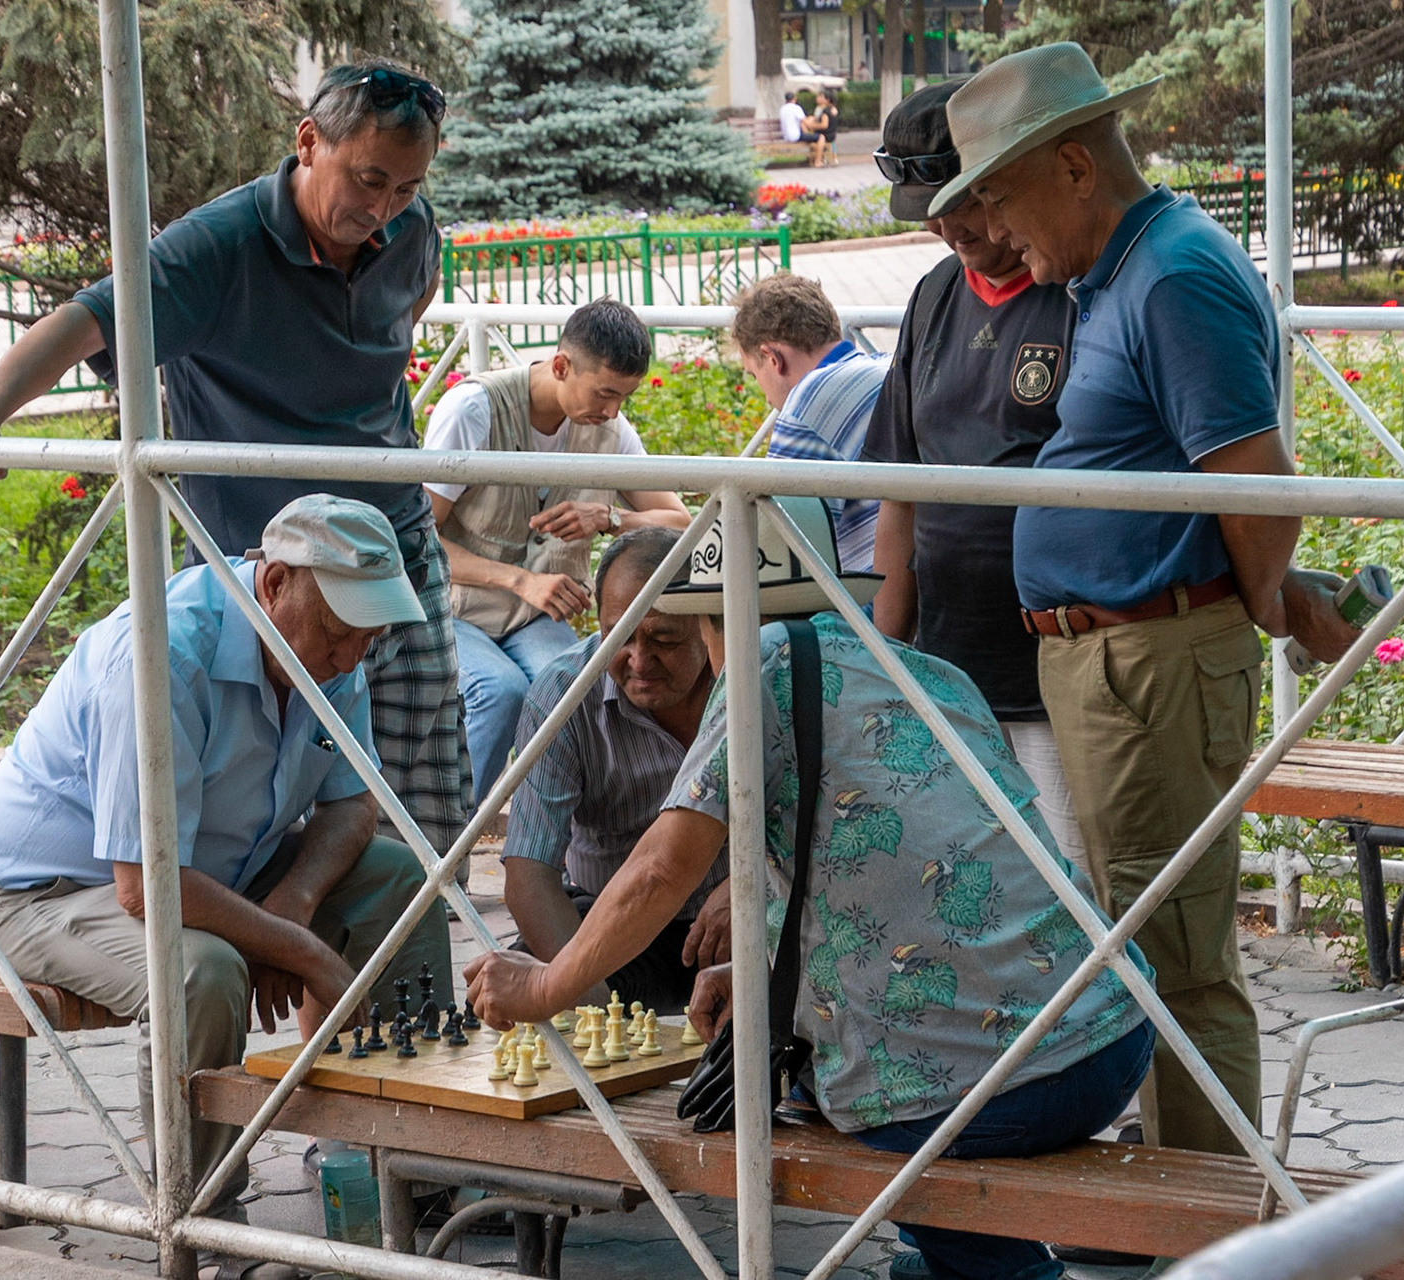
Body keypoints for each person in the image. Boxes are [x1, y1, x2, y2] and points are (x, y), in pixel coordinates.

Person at [466, 498, 1154, 1280]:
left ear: (709, 621)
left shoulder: (759, 669)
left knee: (846, 1100)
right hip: (1115, 1034)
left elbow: (664, 867)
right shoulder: (924, 669)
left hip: (1003, 1087)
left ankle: (996, 1272)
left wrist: (548, 986)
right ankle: (951, 1264)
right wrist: (763, 970)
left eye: (679, 631)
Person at [930, 42, 1360, 1157]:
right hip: (1118, 656)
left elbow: (1257, 480)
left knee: (1170, 953)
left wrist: (1274, 600)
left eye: (1007, 198)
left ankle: (1210, 1230)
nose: (1004, 234)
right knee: (1142, 939)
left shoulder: (1170, 274)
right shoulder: (1123, 270)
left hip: (1151, 658)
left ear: (1075, 165)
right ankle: (1182, 1198)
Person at [0, 62, 475, 864]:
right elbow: (87, 320)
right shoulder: (218, 244)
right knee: (262, 793)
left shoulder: (413, 234)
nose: (382, 208)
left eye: (407, 188)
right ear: (308, 141)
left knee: (420, 778)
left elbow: (405, 316)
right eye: (369, 180)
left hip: (395, 542)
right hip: (269, 574)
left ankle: (410, 975)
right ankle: (300, 967)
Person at [0, 495, 452, 1219]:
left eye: (367, 638)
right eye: (337, 632)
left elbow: (353, 803)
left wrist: (296, 907)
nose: (349, 658)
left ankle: (419, 1169)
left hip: (212, 873)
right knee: (203, 971)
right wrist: (303, 951)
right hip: (35, 896)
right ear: (274, 583)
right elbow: (145, 888)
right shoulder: (161, 652)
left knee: (401, 878)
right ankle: (203, 1217)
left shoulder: (334, 651)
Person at [862, 83, 1084, 865]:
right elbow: (901, 492)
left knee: (1071, 891)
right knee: (965, 887)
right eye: (927, 209)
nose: (944, 227)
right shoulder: (932, 297)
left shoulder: (1074, 288)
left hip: (1059, 672)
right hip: (949, 668)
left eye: (960, 202)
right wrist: (886, 658)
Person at [423, 300, 691, 806]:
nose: (612, 411)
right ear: (562, 366)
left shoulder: (613, 429)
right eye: (606, 393)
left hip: (534, 620)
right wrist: (520, 581)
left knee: (577, 691)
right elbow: (417, 538)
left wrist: (611, 519)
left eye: (624, 397)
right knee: (500, 694)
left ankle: (549, 851)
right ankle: (447, 855)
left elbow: (679, 521)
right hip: (456, 609)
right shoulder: (474, 409)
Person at [501, 528, 728, 1013]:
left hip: (735, 922)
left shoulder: (750, 678)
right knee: (535, 992)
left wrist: (747, 891)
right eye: (617, 637)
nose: (638, 661)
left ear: (710, 626)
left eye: (664, 639)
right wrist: (592, 1011)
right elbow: (528, 874)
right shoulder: (562, 694)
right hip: (609, 920)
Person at [737, 273, 889, 573]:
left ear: (772, 358)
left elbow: (775, 543)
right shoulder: (884, 364)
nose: (767, 398)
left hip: (863, 601)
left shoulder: (811, 396)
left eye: (755, 375)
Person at [811, 90, 841, 167]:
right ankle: (830, 158)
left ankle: (818, 159)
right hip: (832, 134)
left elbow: (824, 125)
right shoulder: (834, 109)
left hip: (825, 135)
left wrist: (812, 126)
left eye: (822, 97)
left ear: (827, 100)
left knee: (814, 137)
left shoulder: (825, 111)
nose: (819, 99)